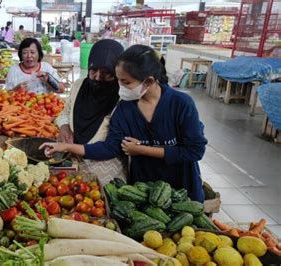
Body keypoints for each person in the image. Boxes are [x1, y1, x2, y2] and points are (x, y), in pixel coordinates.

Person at [42, 45, 207, 202]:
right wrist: (67, 147)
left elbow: (195, 150)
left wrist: (141, 149)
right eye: (119, 81)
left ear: (148, 81)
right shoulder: (125, 108)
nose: (120, 88)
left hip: (183, 190)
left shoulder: (180, 104)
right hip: (143, 191)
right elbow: (110, 147)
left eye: (126, 82)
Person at [55, 39, 126, 184]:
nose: (98, 77)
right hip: (73, 159)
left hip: (106, 165)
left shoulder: (123, 97)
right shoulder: (79, 85)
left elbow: (113, 146)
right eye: (93, 70)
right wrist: (64, 126)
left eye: (106, 73)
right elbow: (65, 112)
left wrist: (72, 147)